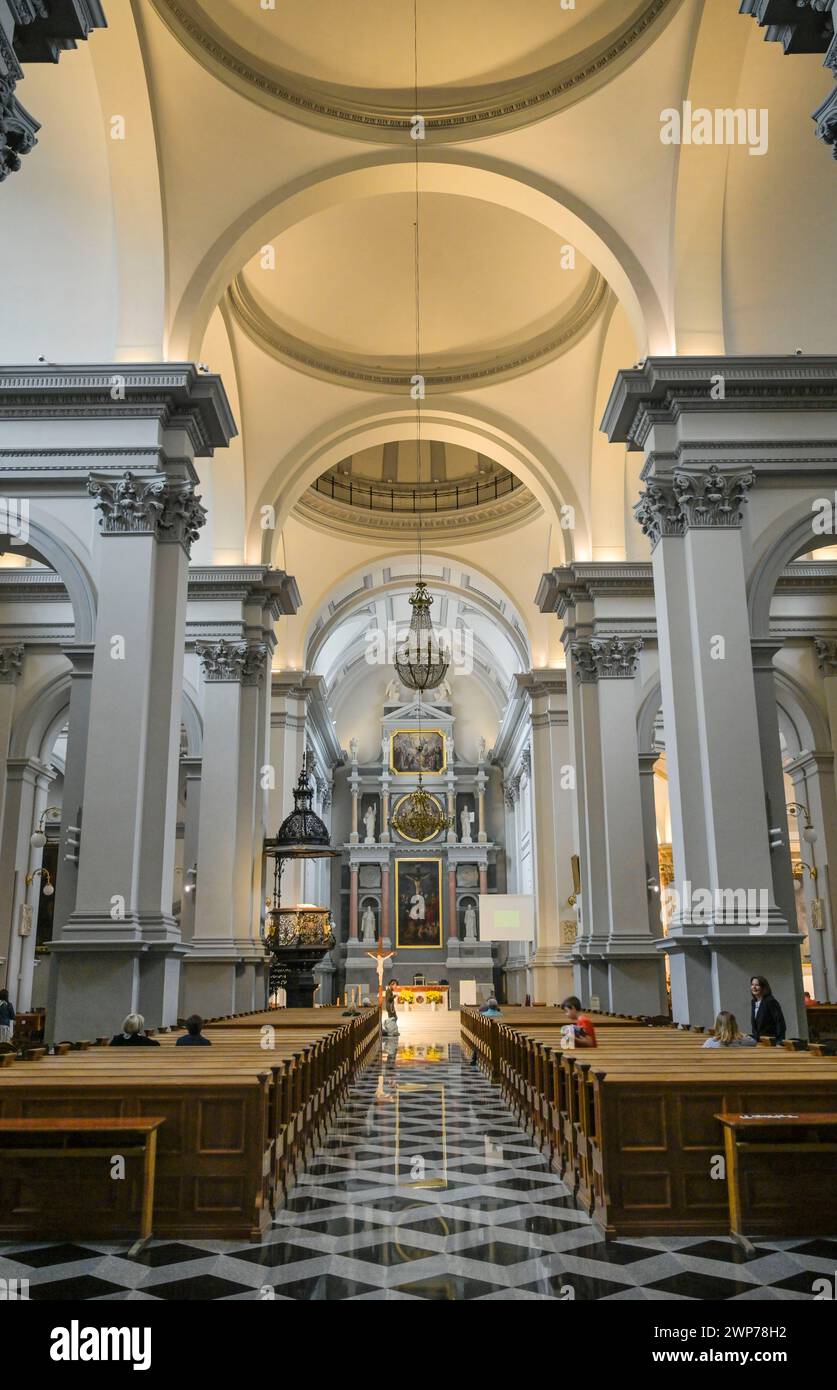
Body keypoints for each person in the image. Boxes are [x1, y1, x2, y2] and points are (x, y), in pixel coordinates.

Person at [749, 975, 786, 1044]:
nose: (754, 987)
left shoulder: (770, 1001)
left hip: (771, 1042)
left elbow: (780, 1023)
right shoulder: (753, 1002)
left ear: (763, 987)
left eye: (757, 985)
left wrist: (779, 1041)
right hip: (759, 1042)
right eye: (752, 984)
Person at [470, 997, 501, 1066]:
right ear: (496, 1006)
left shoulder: (483, 1015)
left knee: (477, 1041)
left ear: (488, 1005)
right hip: (499, 1038)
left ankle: (474, 1059)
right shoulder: (500, 1015)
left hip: (485, 1037)